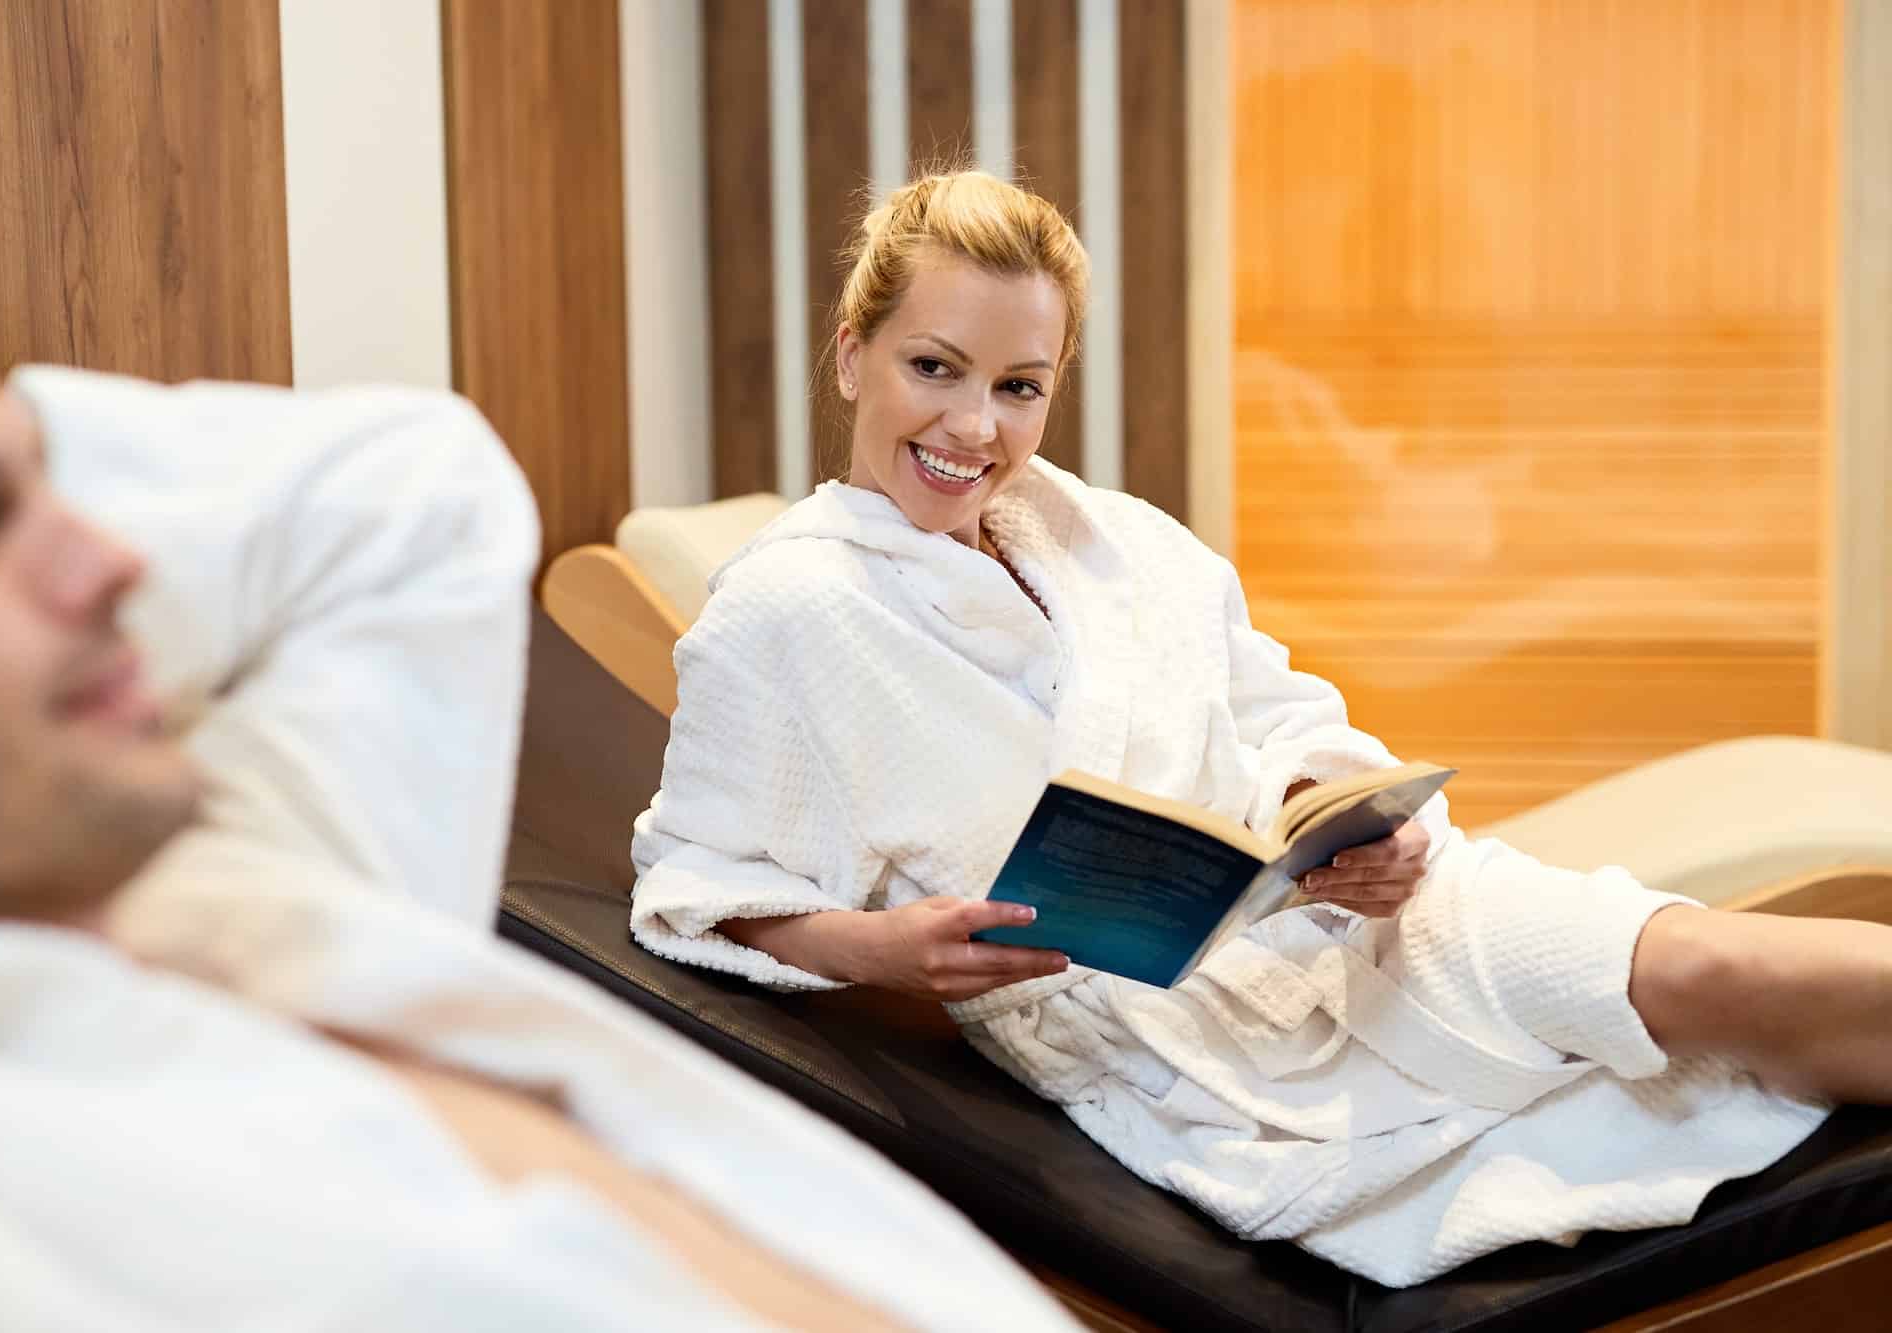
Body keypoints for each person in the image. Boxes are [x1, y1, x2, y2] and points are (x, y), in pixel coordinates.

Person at [630, 169, 1892, 1288]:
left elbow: (1281, 709)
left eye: (1020, 386)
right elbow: (694, 885)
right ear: (852, 354)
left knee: (1705, 966)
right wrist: (878, 949)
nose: (975, 427)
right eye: (933, 367)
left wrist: (1351, 820)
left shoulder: (1101, 535)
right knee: (1701, 1019)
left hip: (1372, 924)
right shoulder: (787, 607)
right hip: (1178, 1028)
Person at [0, 284, 1080, 1332]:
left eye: (54, 478)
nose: (118, 558)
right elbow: (705, 872)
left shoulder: (242, 873)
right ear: (849, 358)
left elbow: (416, 486)